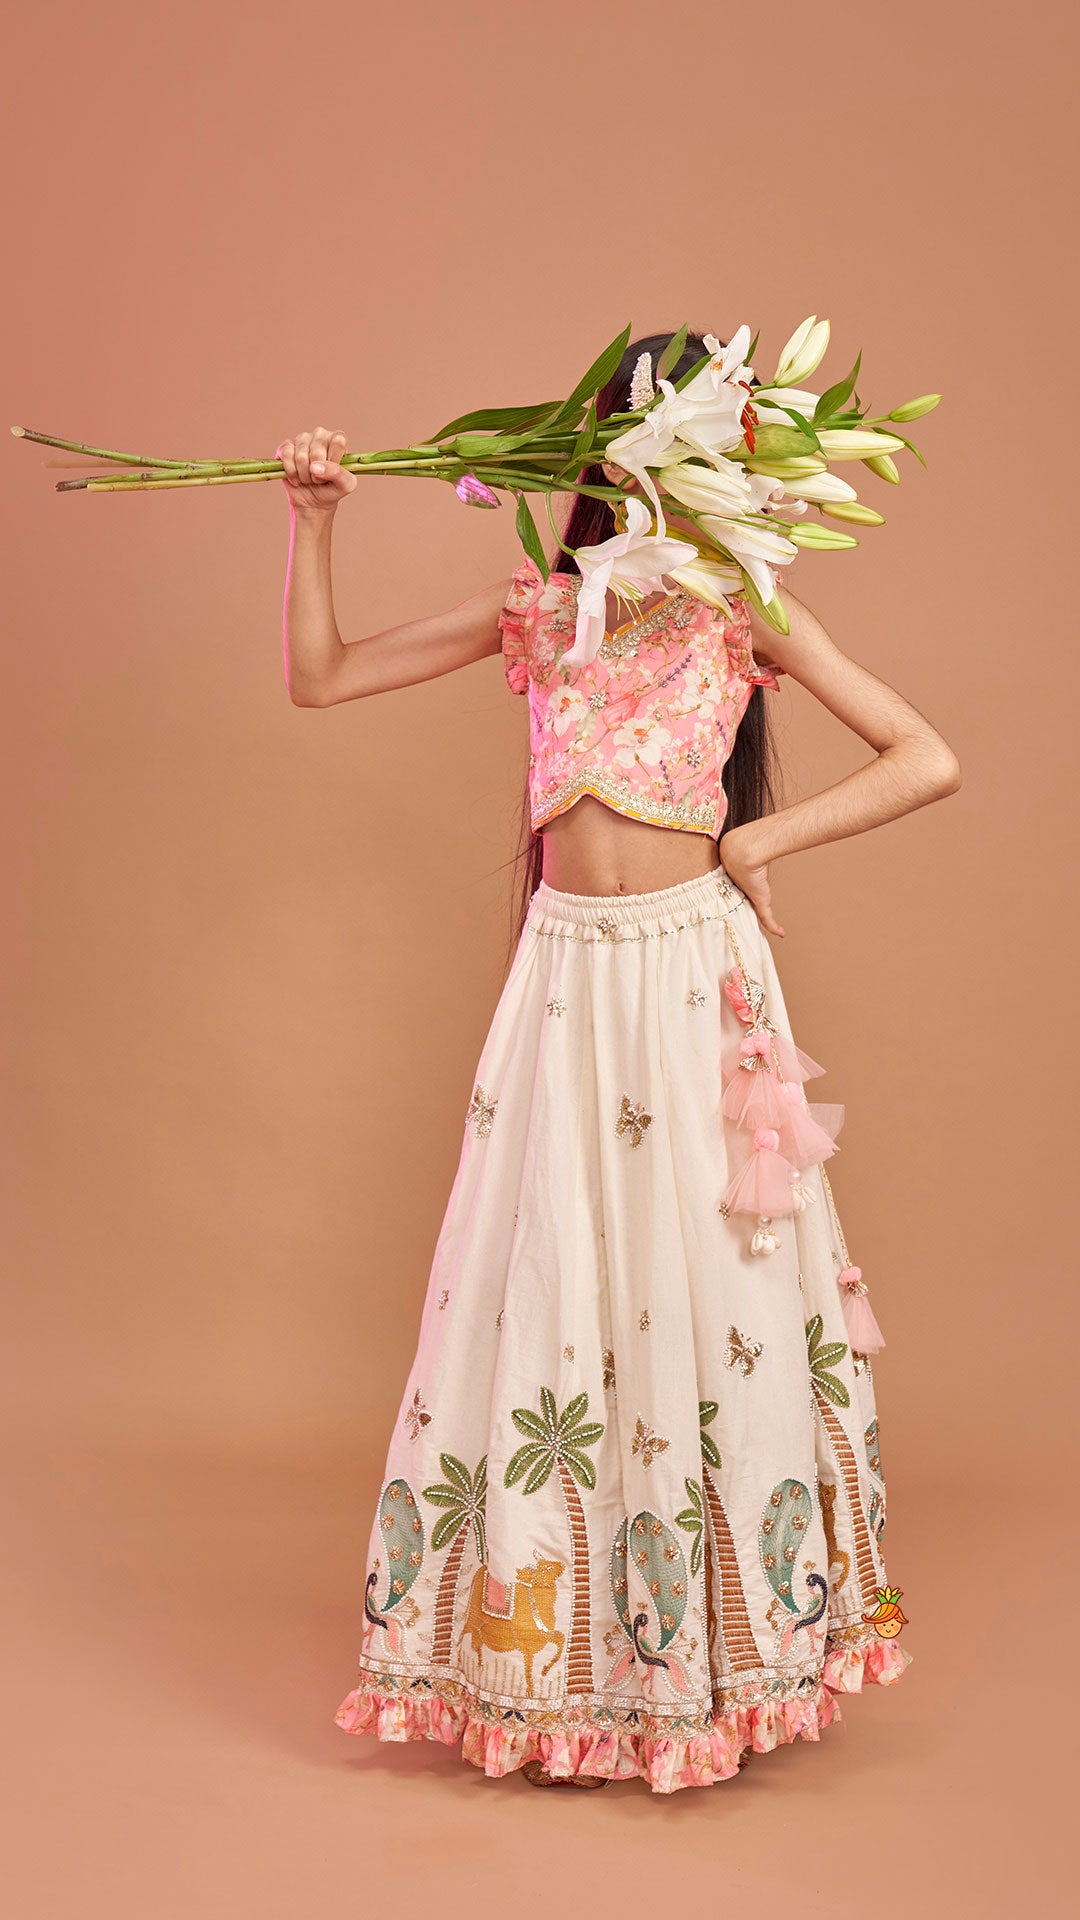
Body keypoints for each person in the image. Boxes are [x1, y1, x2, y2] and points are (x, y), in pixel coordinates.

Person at [276, 331, 960, 1795]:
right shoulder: (539, 607)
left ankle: (718, 1651)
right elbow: (320, 680)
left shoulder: (740, 605)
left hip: (688, 974)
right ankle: (556, 1659)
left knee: (707, 1285)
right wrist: (315, 522)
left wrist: (759, 837)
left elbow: (925, 755)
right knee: (551, 1271)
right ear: (602, 459)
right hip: (569, 983)